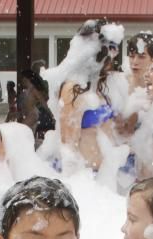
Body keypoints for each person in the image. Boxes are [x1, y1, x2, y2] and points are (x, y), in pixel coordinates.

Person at [57, 19, 125, 173]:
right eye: (111, 49)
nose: (115, 55)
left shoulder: (99, 85)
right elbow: (68, 145)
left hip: (106, 175)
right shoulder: (73, 89)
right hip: (86, 177)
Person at [17, 69, 54, 148]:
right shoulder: (27, 90)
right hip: (28, 114)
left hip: (33, 114)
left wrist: (52, 115)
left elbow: (44, 103)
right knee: (28, 135)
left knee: (20, 130)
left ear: (27, 78)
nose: (21, 80)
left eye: (22, 78)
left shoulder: (34, 90)